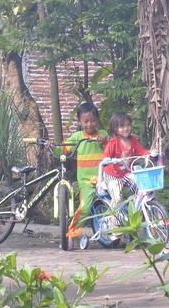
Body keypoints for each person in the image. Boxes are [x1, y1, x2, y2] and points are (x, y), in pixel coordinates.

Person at [64, 102, 107, 239]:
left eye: (93, 120)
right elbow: (65, 148)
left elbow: (111, 148)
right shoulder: (77, 137)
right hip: (86, 180)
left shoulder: (103, 134)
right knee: (86, 207)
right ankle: (72, 231)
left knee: (114, 203)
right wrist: (53, 147)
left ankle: (117, 230)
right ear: (80, 121)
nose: (90, 124)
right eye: (86, 121)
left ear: (97, 120)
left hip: (103, 177)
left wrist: (104, 142)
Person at [99, 112, 150, 202]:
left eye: (128, 125)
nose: (126, 128)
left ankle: (139, 208)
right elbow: (106, 155)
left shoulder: (133, 140)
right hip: (112, 174)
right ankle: (114, 215)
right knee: (117, 197)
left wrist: (150, 153)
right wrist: (107, 159)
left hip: (125, 172)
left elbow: (141, 151)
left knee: (141, 187)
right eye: (122, 126)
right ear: (115, 129)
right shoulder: (113, 142)